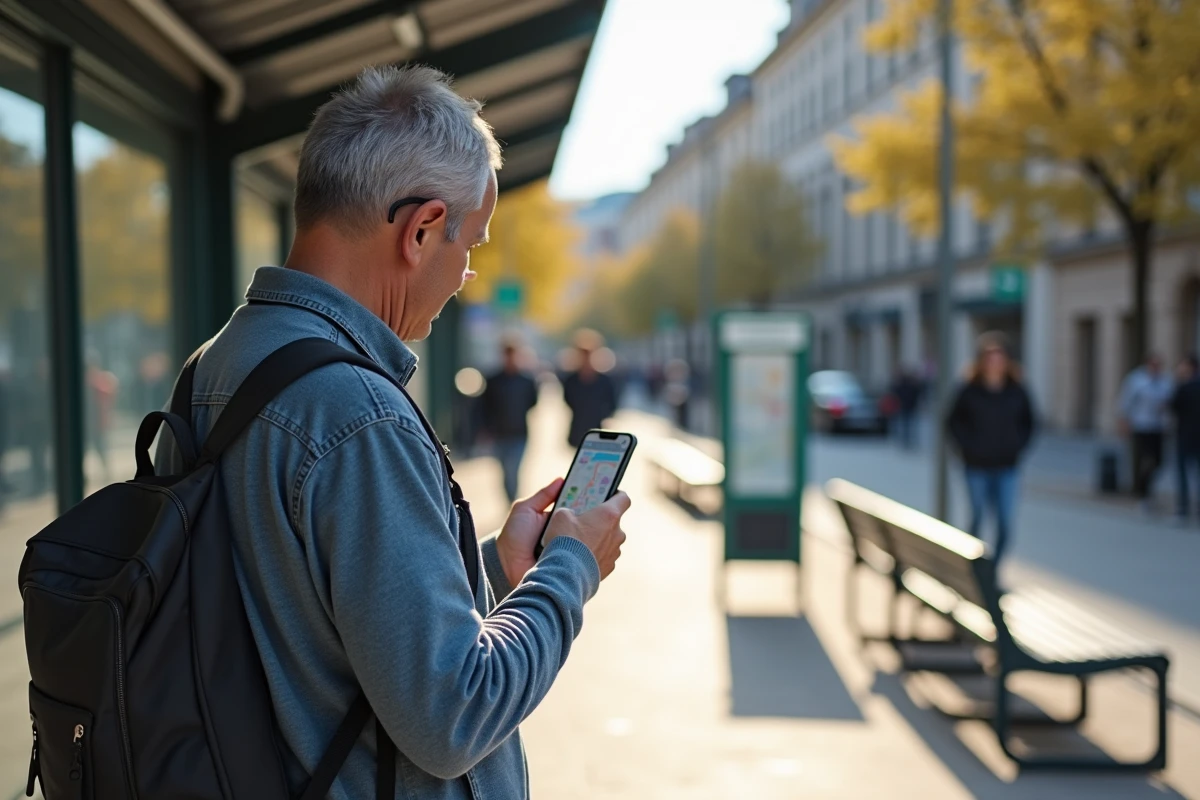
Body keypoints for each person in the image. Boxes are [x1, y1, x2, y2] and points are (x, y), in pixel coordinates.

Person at [158, 66, 628, 799]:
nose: (465, 273)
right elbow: (455, 715)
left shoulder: (212, 367)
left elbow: (305, 615)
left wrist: (497, 570)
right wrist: (571, 566)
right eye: (469, 245)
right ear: (420, 231)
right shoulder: (358, 414)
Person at [946, 332, 1036, 563]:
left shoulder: (1016, 390)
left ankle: (993, 572)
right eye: (990, 359)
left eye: (999, 359)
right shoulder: (969, 390)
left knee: (1005, 522)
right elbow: (952, 422)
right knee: (976, 518)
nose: (995, 364)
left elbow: (1030, 422)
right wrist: (967, 447)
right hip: (976, 465)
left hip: (1007, 465)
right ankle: (974, 568)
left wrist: (1017, 446)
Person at [480, 342, 539, 503]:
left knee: (514, 470)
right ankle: (509, 499)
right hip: (499, 434)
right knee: (504, 471)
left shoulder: (526, 380)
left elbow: (533, 402)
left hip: (519, 433)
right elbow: (485, 406)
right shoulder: (493, 380)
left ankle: (513, 501)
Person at [1119, 353, 1175, 512]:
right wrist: (1124, 423)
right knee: (1141, 461)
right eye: (1153, 365)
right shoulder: (1137, 381)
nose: (1156, 368)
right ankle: (1142, 493)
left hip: (1158, 428)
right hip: (1141, 426)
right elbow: (1125, 402)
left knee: (1158, 461)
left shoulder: (1165, 382)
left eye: (1158, 365)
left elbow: (1171, 403)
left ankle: (1144, 487)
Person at [562, 330, 619, 448]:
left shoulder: (605, 380)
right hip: (577, 431)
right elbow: (568, 400)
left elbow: (612, 404)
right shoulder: (571, 380)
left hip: (598, 431)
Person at [1171, 355, 1200, 524]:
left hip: (1185, 436)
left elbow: (1174, 407)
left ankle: (1183, 508)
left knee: (1183, 473)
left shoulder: (1183, 387)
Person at [890, 367, 924, 450]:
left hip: (908, 407)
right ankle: (907, 441)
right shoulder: (906, 385)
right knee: (907, 425)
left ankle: (907, 441)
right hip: (907, 407)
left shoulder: (910, 386)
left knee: (908, 425)